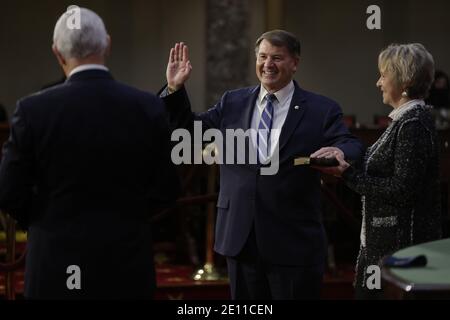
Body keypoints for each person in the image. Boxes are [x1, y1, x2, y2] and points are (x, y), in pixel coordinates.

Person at [162, 30, 364, 299]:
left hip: (293, 241)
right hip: (241, 239)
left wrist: (339, 151)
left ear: (295, 63)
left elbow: (351, 144)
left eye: (277, 58)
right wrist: (175, 89)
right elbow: (190, 132)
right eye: (263, 56)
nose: (268, 64)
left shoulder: (321, 109)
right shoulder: (232, 101)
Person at [0, 8, 179, 299]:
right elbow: (167, 189)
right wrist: (127, 218)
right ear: (107, 44)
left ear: (57, 53)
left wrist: (44, 222)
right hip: (125, 264)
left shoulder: (32, 111)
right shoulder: (148, 107)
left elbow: (8, 192)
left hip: (54, 262)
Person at [316, 43, 442, 299]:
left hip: (400, 253)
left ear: (403, 79)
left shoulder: (413, 125)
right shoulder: (405, 121)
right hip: (385, 247)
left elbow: (401, 191)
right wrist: (341, 157)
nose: (378, 82)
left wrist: (347, 175)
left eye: (383, 75)